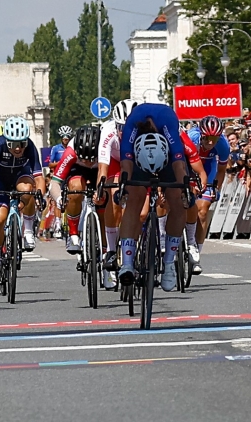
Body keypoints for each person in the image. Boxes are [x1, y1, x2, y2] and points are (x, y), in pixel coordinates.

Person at [117, 103, 192, 292]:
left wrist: (185, 190)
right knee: (134, 198)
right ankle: (126, 264)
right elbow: (126, 165)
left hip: (169, 160)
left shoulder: (168, 123)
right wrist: (124, 187)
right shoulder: (132, 125)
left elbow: (179, 166)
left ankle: (168, 265)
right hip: (138, 160)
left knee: (177, 200)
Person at [0, 116, 47, 288]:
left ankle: (27, 230)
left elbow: (39, 177)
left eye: (21, 144)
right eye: (13, 144)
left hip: (21, 176)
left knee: (28, 189)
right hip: (0, 180)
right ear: (7, 141)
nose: (18, 148)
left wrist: (40, 195)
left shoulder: (30, 147)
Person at [97, 99, 137, 282]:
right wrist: (100, 189)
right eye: (121, 127)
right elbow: (103, 168)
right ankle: (112, 250)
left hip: (137, 162)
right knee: (113, 194)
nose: (123, 131)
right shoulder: (108, 132)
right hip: (115, 162)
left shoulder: (145, 132)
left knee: (143, 209)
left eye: (128, 127)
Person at [184, 115, 229, 274]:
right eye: (207, 138)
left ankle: (196, 254)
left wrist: (216, 188)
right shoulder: (192, 138)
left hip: (209, 170)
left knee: (202, 211)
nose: (210, 142)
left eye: (214, 139)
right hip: (188, 168)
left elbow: (221, 171)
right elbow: (181, 164)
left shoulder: (223, 145)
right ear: (201, 134)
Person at [51, 124, 103, 255]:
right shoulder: (70, 151)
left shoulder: (106, 147)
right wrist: (58, 199)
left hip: (102, 168)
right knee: (75, 188)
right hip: (77, 170)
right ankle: (73, 234)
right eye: (84, 159)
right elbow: (54, 183)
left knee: (106, 192)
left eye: (91, 159)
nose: (88, 162)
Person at [47, 126, 74, 238]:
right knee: (58, 200)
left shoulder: (73, 147)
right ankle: (58, 224)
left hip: (71, 174)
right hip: (60, 175)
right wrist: (61, 163)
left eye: (67, 139)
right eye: (64, 139)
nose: (65, 140)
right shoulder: (56, 148)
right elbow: (50, 164)